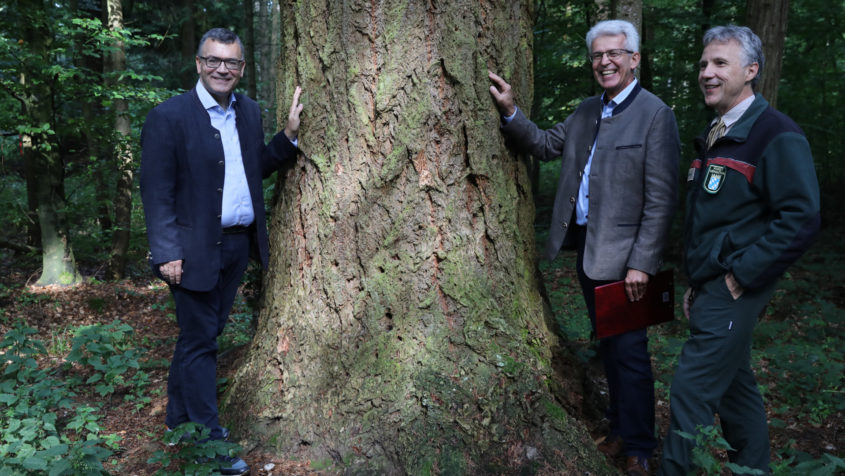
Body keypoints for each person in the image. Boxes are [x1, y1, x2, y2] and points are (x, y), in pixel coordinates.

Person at [489, 19, 679, 476]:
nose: (604, 62)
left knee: (630, 353)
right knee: (608, 348)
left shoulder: (655, 114)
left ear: (634, 58)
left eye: (614, 53)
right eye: (597, 55)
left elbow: (662, 199)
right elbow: (544, 144)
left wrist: (642, 264)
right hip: (589, 256)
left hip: (627, 264)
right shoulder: (586, 111)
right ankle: (617, 428)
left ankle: (638, 447)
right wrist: (511, 110)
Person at [140, 27, 304, 476]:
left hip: (237, 245)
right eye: (213, 60)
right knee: (201, 343)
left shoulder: (248, 112)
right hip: (189, 253)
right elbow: (156, 192)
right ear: (198, 63)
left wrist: (287, 137)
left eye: (231, 63)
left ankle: (179, 421)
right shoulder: (169, 117)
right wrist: (166, 252)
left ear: (242, 69)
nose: (222, 69)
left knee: (198, 339)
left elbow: (256, 169)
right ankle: (211, 445)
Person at [658, 25, 820, 475]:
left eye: (719, 64)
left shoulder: (774, 133)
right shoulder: (717, 132)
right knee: (735, 387)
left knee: (691, 389)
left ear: (751, 71)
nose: (707, 73)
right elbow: (717, 220)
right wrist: (698, 280)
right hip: (712, 283)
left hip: (738, 284)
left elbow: (801, 216)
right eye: (703, 64)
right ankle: (754, 469)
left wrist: (741, 275)